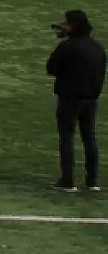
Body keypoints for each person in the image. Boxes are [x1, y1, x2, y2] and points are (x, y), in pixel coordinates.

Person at [46, 10, 104, 192]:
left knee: (67, 139)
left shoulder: (68, 47)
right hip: (91, 99)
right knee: (89, 138)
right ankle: (92, 181)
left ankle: (67, 181)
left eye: (66, 23)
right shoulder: (98, 48)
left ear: (72, 26)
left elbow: (51, 68)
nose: (63, 26)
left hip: (70, 99)